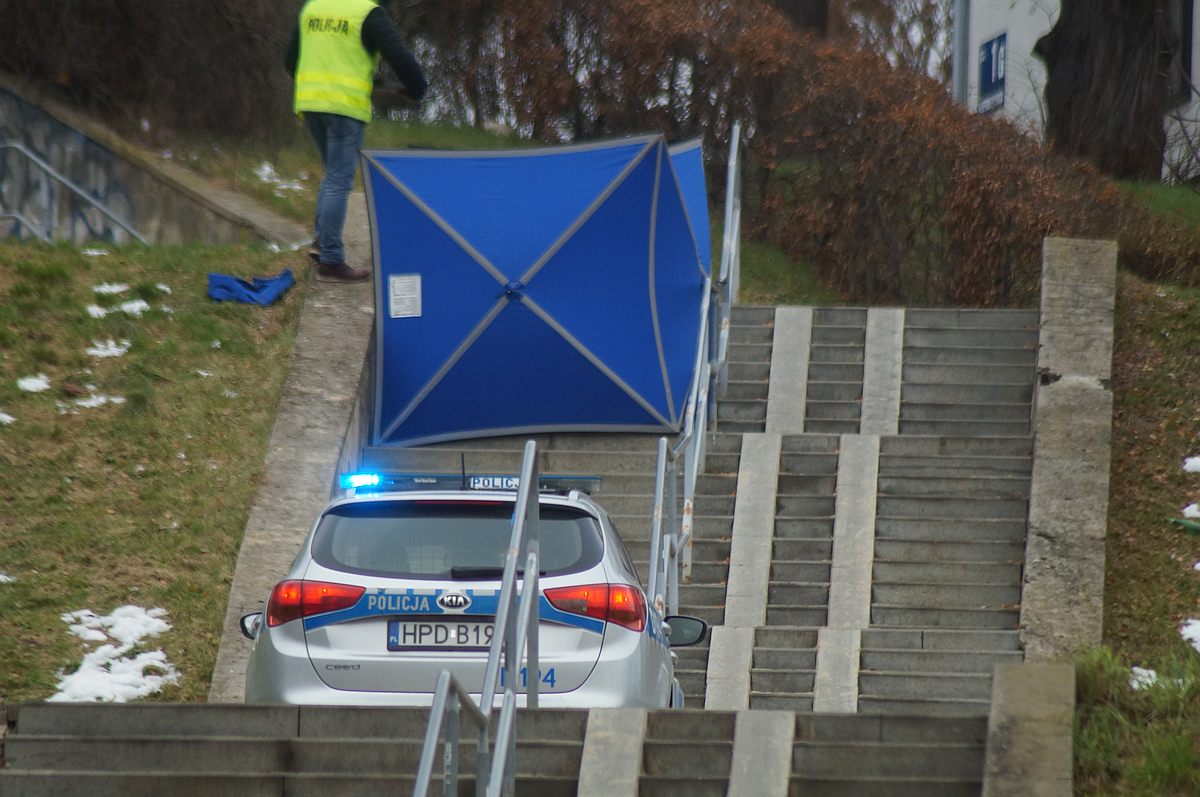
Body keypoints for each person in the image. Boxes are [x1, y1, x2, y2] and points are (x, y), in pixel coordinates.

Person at [285, 0, 427, 283]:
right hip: (344, 108)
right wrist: (417, 90)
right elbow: (401, 59)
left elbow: (290, 61)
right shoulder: (367, 13)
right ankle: (332, 261)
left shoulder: (314, 7)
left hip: (311, 102)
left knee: (332, 173)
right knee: (339, 179)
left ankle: (322, 243)